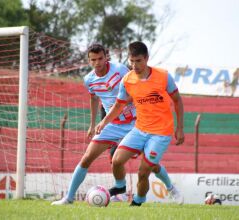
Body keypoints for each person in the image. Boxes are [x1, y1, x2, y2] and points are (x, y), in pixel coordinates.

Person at [51, 43, 180, 205]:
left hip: (136, 123)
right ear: (89, 60)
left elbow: (137, 89)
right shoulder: (89, 79)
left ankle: (170, 187)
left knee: (150, 165)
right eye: (93, 60)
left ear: (106, 57)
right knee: (86, 158)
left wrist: (125, 104)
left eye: (100, 58)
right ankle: (70, 198)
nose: (97, 63)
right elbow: (94, 98)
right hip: (112, 124)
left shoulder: (120, 70)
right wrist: (93, 124)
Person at [95, 41, 185, 206]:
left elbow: (178, 101)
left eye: (138, 61)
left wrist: (180, 128)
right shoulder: (127, 80)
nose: (135, 65)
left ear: (146, 59)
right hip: (140, 129)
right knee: (116, 161)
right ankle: (121, 187)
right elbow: (118, 106)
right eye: (131, 61)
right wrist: (104, 122)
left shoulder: (163, 76)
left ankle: (138, 201)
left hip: (161, 132)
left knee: (144, 171)